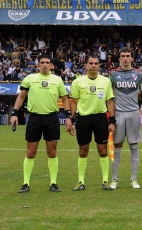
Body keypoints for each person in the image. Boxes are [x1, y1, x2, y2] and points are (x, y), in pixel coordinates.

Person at [10, 54, 74, 193]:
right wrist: (14, 113)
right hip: (34, 119)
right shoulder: (30, 79)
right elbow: (21, 97)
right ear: (38, 65)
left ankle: (53, 183)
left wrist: (69, 116)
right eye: (42, 62)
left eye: (47, 62)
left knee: (52, 152)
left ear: (51, 65)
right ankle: (26, 183)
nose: (45, 65)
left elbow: (65, 98)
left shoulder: (57, 80)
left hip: (51, 119)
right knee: (31, 152)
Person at [70, 55, 116, 191]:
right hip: (83, 119)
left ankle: (105, 181)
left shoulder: (106, 81)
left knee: (102, 150)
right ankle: (80, 181)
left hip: (100, 118)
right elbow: (74, 102)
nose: (93, 65)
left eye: (96, 63)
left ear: (99, 65)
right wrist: (71, 120)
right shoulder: (78, 82)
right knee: (83, 150)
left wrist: (112, 121)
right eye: (91, 63)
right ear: (86, 65)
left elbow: (110, 101)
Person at [109, 47, 142, 189]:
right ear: (119, 58)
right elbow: (109, 96)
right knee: (117, 146)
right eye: (123, 56)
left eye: (128, 56)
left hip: (133, 113)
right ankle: (114, 179)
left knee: (134, 145)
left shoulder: (139, 74)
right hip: (119, 113)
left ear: (132, 58)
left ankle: (134, 179)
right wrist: (111, 118)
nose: (125, 58)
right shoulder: (113, 74)